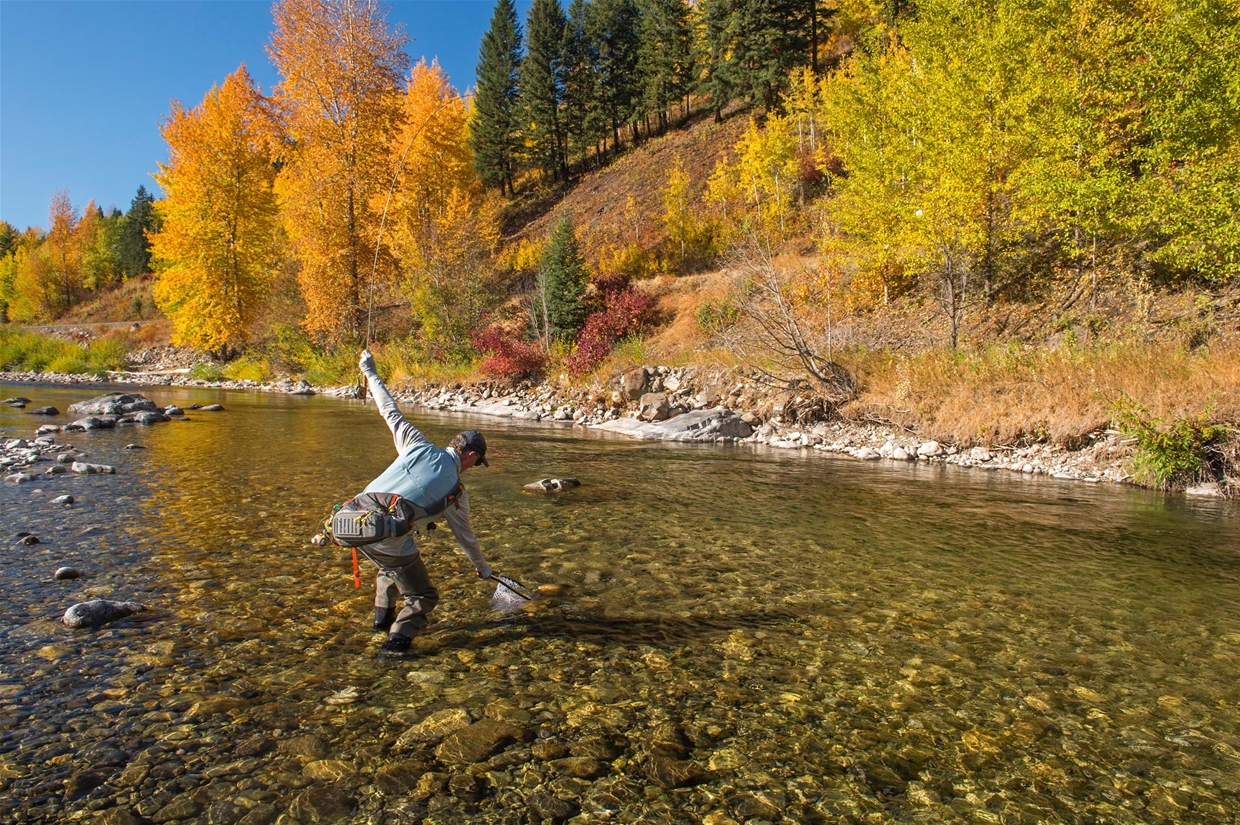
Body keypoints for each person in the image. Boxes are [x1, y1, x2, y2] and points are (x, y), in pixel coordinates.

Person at [355, 348, 493, 656]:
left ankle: (380, 623)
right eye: (477, 462)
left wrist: (370, 371)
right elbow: (466, 538)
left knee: (391, 564)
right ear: (470, 455)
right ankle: (395, 645)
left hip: (353, 521)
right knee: (424, 595)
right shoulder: (456, 494)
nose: (474, 467)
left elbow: (388, 409)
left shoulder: (415, 443)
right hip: (383, 535)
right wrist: (482, 568)